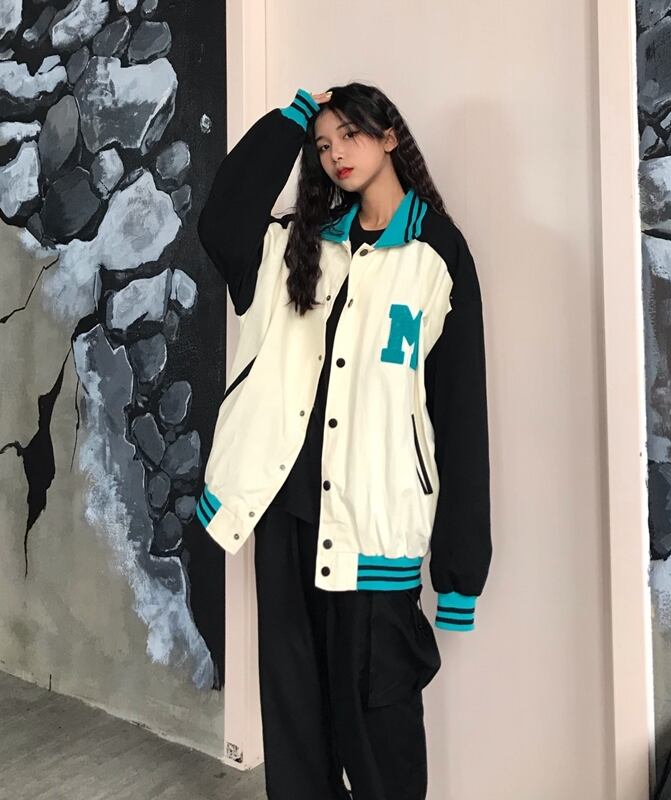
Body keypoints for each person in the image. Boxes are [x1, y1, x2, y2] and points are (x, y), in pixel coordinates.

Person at [195, 82, 491, 800]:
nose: (335, 154)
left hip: (374, 528)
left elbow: (460, 415)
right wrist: (294, 118)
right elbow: (221, 220)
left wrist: (459, 572)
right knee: (297, 727)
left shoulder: (437, 255)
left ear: (389, 137)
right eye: (323, 145)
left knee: (380, 731)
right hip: (285, 516)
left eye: (350, 135)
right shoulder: (299, 245)